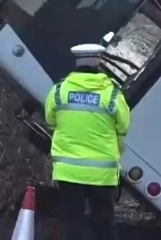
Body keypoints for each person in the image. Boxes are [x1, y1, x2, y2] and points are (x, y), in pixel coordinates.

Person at [44, 43, 130, 240]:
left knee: (73, 223)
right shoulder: (113, 94)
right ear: (99, 63)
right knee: (104, 224)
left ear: (77, 63)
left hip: (69, 172)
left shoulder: (59, 91)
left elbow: (50, 121)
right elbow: (123, 127)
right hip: (101, 174)